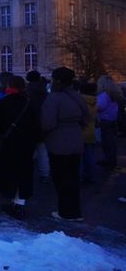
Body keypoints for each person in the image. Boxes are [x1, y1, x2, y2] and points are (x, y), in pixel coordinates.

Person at [41, 67, 90, 222]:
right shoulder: (77, 96)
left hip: (58, 143)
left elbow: (48, 123)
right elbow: (86, 118)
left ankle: (65, 212)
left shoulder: (54, 98)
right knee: (73, 177)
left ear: (58, 81)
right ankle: (75, 211)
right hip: (76, 141)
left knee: (61, 178)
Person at [0, 76, 40, 220]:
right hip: (26, 145)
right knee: (23, 174)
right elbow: (37, 125)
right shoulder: (30, 104)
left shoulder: (2, 103)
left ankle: (12, 200)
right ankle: (20, 203)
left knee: (9, 173)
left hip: (8, 144)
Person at [26, 70, 50, 184]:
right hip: (43, 122)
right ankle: (45, 173)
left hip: (30, 124)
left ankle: (27, 172)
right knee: (42, 150)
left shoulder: (27, 91)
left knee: (28, 150)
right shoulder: (44, 91)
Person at [96, 75, 122, 170]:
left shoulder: (104, 95)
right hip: (112, 119)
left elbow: (100, 107)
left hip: (105, 120)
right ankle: (111, 159)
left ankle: (109, 160)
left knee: (107, 142)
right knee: (111, 142)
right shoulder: (114, 94)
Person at [79, 82, 98, 183]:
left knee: (79, 158)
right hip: (91, 131)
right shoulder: (94, 101)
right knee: (89, 156)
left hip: (80, 131)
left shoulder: (80, 101)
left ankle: (80, 177)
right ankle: (89, 176)